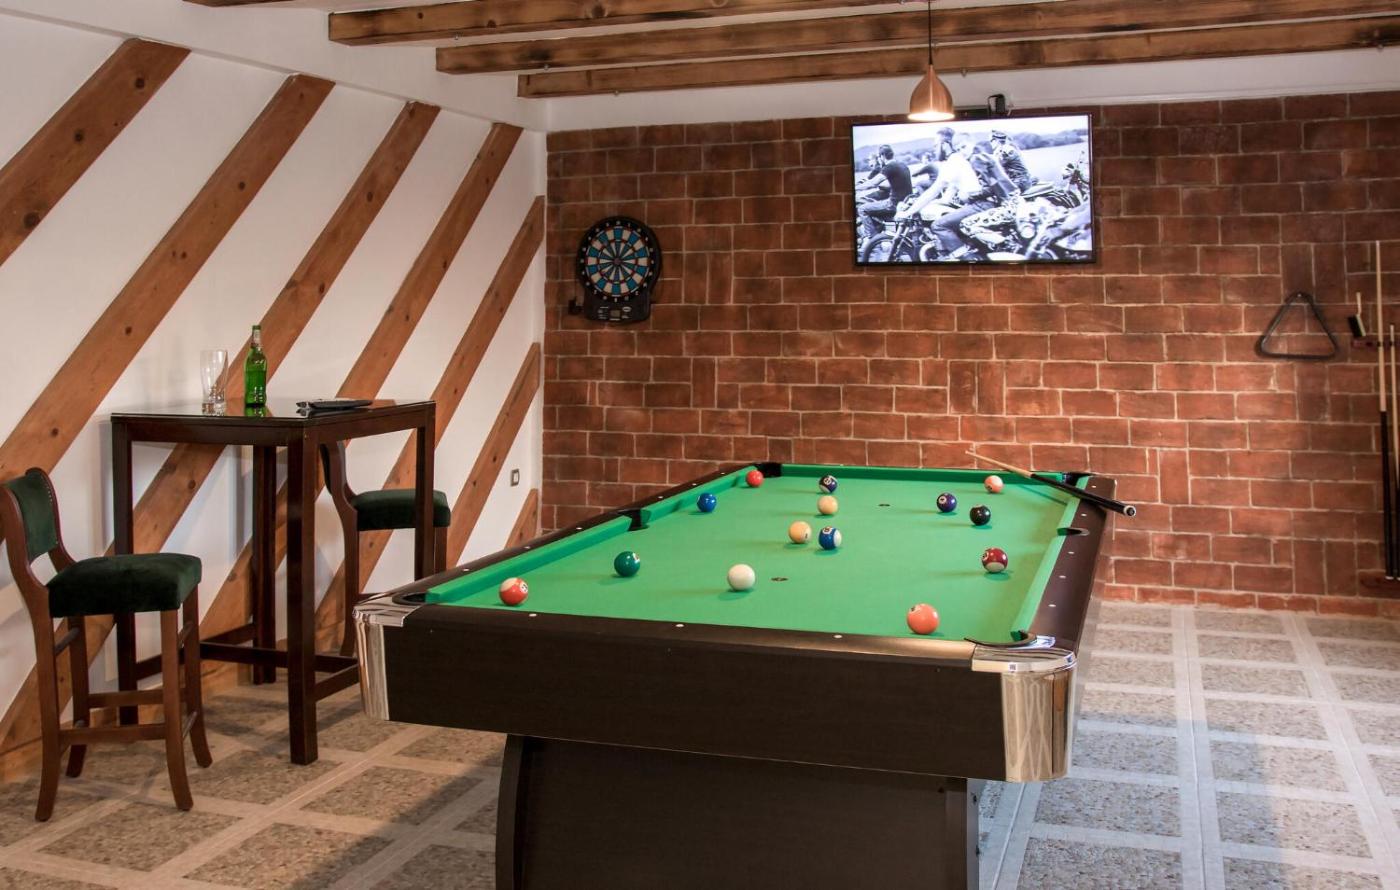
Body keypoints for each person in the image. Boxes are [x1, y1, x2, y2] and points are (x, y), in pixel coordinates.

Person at [856, 144, 913, 239]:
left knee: (862, 209)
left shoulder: (889, 167)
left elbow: (872, 183)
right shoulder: (902, 165)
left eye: (879, 156)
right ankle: (880, 230)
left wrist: (855, 188)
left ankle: (872, 239)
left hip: (894, 204)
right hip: (906, 201)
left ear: (882, 156)